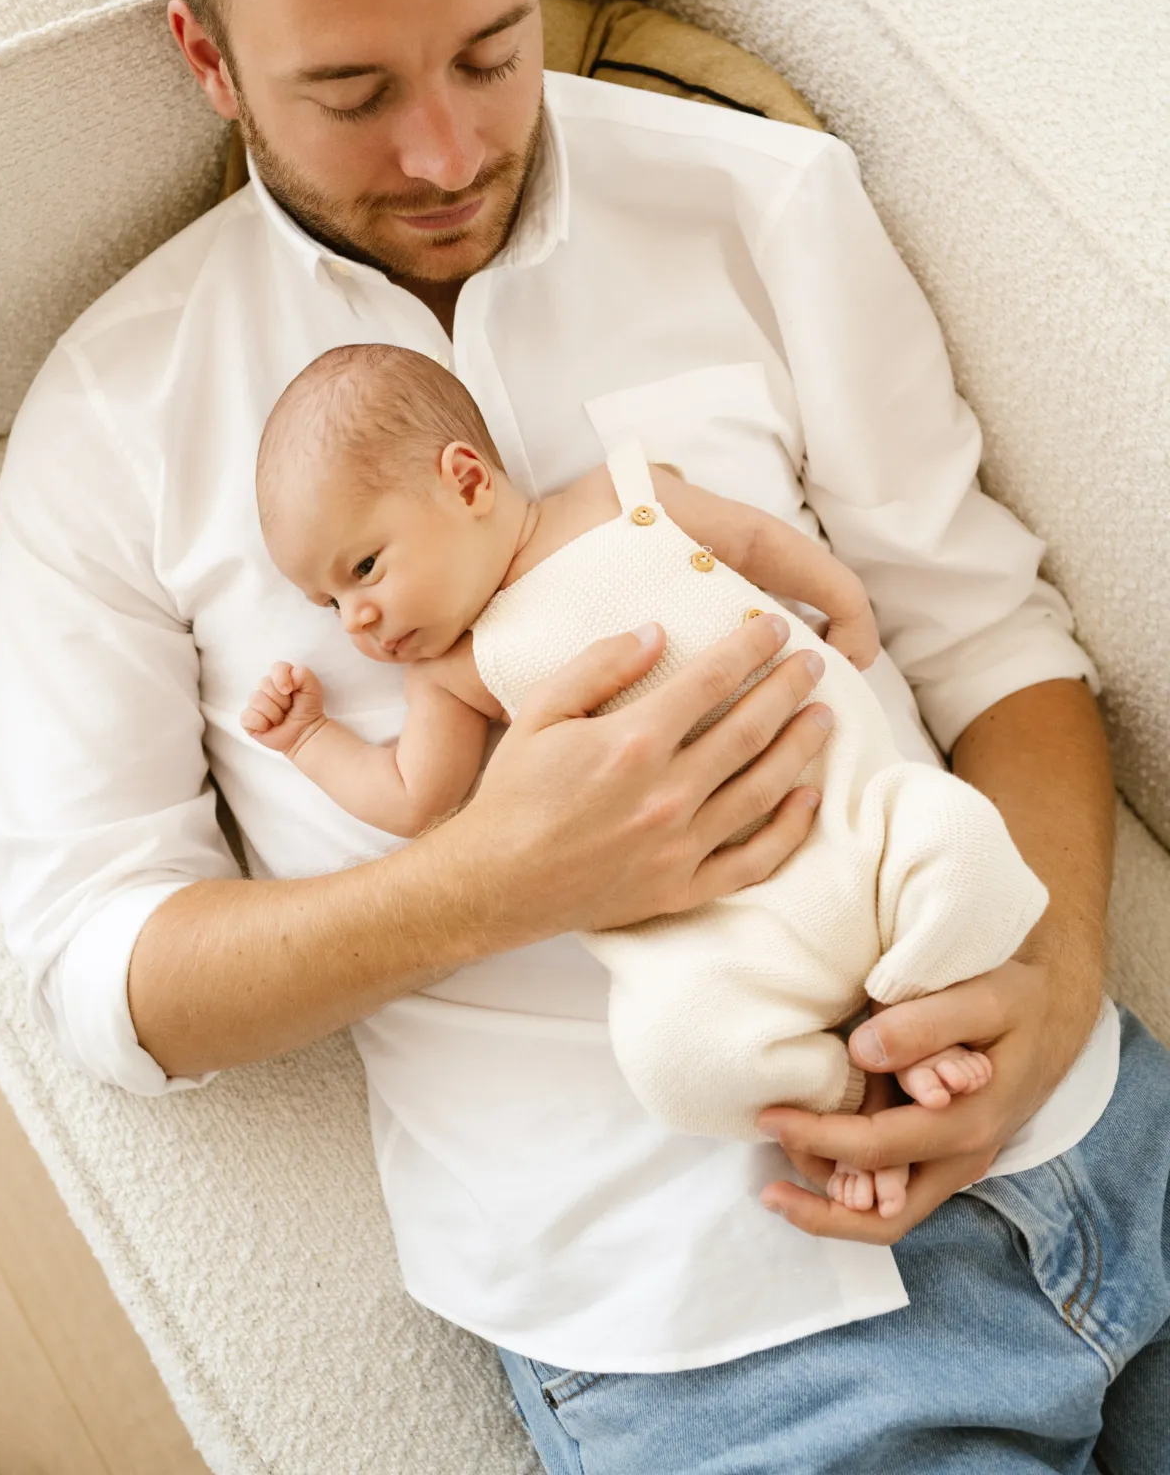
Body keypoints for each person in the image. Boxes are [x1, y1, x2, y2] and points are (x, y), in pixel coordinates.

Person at [0, 0, 1169, 1472]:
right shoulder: (116, 416)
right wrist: (493, 878)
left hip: (1091, 1146)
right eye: (355, 92)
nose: (450, 150)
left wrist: (1061, 971)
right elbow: (100, 968)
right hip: (710, 1332)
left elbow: (991, 635)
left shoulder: (759, 202)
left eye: (490, 47)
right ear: (208, 61)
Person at [241, 340, 1042, 1214]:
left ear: (466, 481)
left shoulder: (625, 497)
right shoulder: (453, 671)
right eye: (327, 606)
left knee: (965, 839)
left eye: (363, 569)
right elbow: (412, 798)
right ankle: (854, 1102)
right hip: (716, 933)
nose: (356, 620)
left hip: (855, 813)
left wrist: (843, 598)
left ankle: (918, 1011)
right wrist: (311, 738)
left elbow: (748, 538)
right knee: (673, 1060)